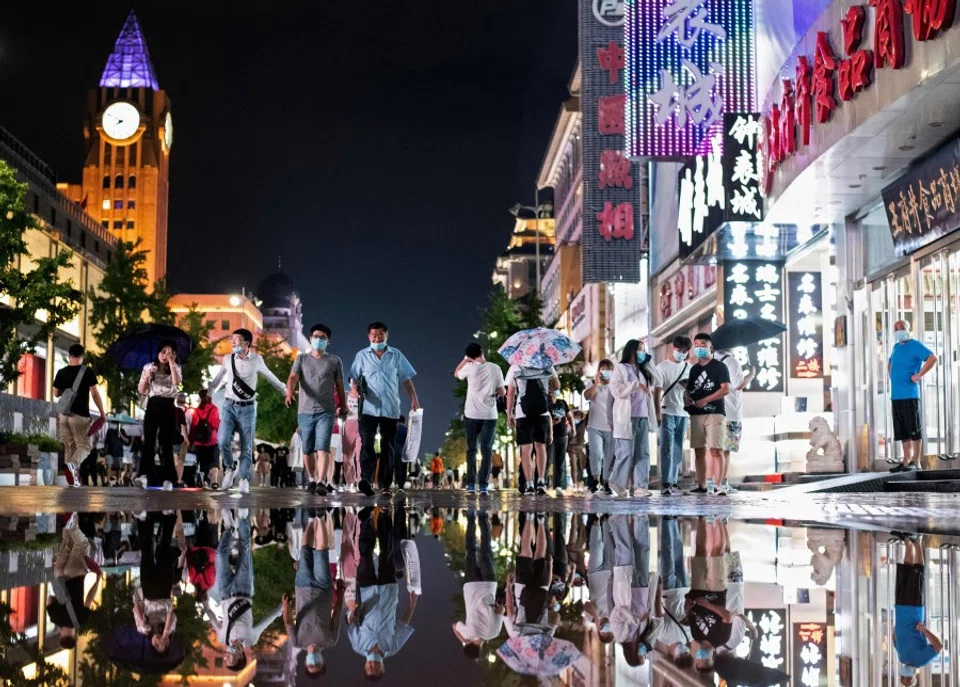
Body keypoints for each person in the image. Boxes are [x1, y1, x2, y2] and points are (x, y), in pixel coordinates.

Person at [211, 328, 287, 494]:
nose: (233, 343)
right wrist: (208, 393)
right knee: (222, 440)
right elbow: (218, 378)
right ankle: (230, 468)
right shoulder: (227, 359)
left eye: (236, 340)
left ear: (246, 343)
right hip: (229, 406)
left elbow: (270, 376)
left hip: (248, 408)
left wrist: (284, 390)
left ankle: (244, 478)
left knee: (246, 445)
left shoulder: (257, 360)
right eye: (232, 339)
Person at [347, 507, 418, 681]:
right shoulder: (392, 648)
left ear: (365, 665)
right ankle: (385, 516)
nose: (373, 664)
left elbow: (351, 624)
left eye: (370, 667)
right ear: (383, 667)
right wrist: (411, 603)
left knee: (366, 557)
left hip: (367, 593)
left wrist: (353, 611)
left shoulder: (358, 646)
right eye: (377, 668)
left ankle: (366, 521)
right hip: (388, 592)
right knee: (387, 554)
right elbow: (402, 624)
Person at [349, 321, 420, 497]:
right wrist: (354, 389)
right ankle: (366, 479)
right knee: (367, 444)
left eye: (380, 335)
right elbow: (353, 377)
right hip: (368, 408)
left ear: (386, 336)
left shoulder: (396, 355)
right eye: (374, 335)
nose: (377, 338)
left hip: (390, 408)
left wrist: (414, 398)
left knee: (387, 447)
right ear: (368, 336)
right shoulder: (361, 356)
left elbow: (406, 378)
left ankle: (386, 485)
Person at [214, 509, 282, 672]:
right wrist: (281, 610)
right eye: (229, 659)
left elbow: (215, 620)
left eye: (225, 659)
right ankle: (243, 517)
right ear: (240, 657)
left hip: (224, 593)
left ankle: (229, 528)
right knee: (245, 551)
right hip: (244, 590)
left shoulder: (223, 638)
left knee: (220, 556)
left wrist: (206, 605)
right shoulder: (251, 639)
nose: (226, 657)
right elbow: (266, 621)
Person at [286, 323, 347, 496]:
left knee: (323, 447)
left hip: (326, 412)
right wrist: (289, 393)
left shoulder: (334, 361)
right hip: (304, 412)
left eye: (322, 337)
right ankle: (312, 479)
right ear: (311, 338)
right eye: (315, 336)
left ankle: (321, 482)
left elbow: (340, 385)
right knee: (308, 449)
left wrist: (343, 405)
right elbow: (292, 377)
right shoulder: (301, 359)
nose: (318, 340)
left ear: (328, 341)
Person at [283, 513, 344, 678]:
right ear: (323, 661)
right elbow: (337, 614)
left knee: (305, 551)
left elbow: (288, 623)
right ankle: (320, 516)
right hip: (323, 588)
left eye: (310, 665)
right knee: (321, 551)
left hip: (302, 587)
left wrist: (285, 607)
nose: (313, 661)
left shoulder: (297, 642)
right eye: (317, 664)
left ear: (305, 662)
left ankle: (311, 520)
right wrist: (341, 592)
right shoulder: (330, 640)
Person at [455, 344, 506, 496]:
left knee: (472, 449)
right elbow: (502, 391)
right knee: (487, 450)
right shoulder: (495, 368)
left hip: (471, 414)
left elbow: (457, 374)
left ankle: (471, 484)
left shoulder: (469, 367)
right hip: (490, 415)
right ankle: (483, 485)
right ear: (482, 352)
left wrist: (465, 361)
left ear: (469, 356)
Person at [52, 344, 107, 487]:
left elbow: (56, 393)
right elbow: (94, 393)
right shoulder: (87, 372)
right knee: (85, 446)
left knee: (69, 447)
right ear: (82, 357)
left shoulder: (61, 372)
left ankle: (73, 480)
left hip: (63, 415)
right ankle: (73, 465)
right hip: (80, 416)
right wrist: (102, 412)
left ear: (69, 356)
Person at [452, 511, 504, 658]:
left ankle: (482, 516)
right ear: (468, 644)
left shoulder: (493, 633)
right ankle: (470, 517)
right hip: (471, 585)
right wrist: (462, 640)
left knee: (485, 549)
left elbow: (501, 609)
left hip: (488, 586)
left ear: (481, 649)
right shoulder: (467, 633)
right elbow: (454, 626)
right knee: (471, 549)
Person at [684, 334, 730, 495]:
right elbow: (689, 390)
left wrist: (705, 400)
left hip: (715, 413)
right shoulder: (694, 369)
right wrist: (687, 398)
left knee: (716, 449)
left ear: (711, 347)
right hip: (696, 414)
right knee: (699, 450)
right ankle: (701, 485)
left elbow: (725, 389)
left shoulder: (720, 367)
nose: (699, 348)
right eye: (696, 345)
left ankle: (719, 485)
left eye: (702, 344)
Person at [888, 320, 937, 472]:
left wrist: (918, 375)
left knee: (914, 428)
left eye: (901, 328)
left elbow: (932, 358)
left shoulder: (915, 345)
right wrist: (891, 374)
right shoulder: (896, 347)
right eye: (896, 328)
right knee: (902, 430)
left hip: (910, 395)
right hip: (896, 396)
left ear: (908, 329)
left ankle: (916, 461)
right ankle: (905, 461)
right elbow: (890, 362)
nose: (898, 330)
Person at [892, 533, 942, 684]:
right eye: (907, 678)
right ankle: (918, 541)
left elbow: (895, 640)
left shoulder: (901, 657)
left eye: (902, 678)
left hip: (900, 607)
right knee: (917, 571)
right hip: (914, 608)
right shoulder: (921, 661)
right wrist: (923, 629)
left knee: (905, 571)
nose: (904, 676)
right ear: (915, 676)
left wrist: (896, 628)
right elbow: (938, 646)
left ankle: (907, 542)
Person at [47, 515, 102, 648]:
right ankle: (51, 515)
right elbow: (50, 598)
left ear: (74, 636)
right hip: (59, 574)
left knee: (76, 537)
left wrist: (97, 579)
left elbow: (89, 598)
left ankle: (73, 514)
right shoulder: (54, 618)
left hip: (77, 573)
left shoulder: (81, 620)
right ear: (61, 635)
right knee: (63, 538)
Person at [506, 364, 560, 497]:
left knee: (526, 450)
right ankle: (541, 482)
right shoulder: (546, 362)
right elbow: (557, 386)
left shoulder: (516, 365)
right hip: (542, 410)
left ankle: (529, 485)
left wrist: (509, 414)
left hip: (523, 411)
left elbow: (511, 393)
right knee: (541, 447)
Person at [609, 340, 654, 498]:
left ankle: (640, 486)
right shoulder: (620, 369)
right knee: (626, 452)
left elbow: (653, 387)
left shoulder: (643, 370)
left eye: (644, 350)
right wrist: (635, 385)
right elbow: (616, 391)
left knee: (643, 453)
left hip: (642, 416)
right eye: (640, 350)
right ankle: (617, 481)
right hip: (626, 418)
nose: (643, 352)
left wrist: (648, 364)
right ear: (631, 351)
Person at [135, 342, 182, 491]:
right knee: (148, 441)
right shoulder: (149, 367)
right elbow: (142, 390)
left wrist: (172, 362)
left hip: (168, 405)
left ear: (174, 354)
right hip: (153, 404)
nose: (165, 355)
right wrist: (148, 375)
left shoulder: (176, 367)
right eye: (163, 352)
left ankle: (169, 478)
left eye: (169, 352)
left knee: (165, 443)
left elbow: (177, 382)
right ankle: (143, 476)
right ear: (157, 352)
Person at [133, 512, 179, 656]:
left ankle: (143, 519)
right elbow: (171, 613)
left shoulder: (142, 630)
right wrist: (165, 633)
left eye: (156, 645)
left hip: (148, 590)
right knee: (163, 550)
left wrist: (141, 620)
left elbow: (135, 608)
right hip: (164, 590)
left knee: (146, 552)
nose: (158, 641)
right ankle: (168, 516)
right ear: (167, 643)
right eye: (162, 645)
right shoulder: (170, 629)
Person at [653, 337, 692, 496]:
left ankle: (674, 481)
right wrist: (656, 412)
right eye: (679, 350)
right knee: (667, 447)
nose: (681, 354)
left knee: (677, 448)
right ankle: (666, 482)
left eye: (685, 352)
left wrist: (688, 388)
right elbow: (656, 391)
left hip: (683, 412)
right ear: (673, 348)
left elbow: (691, 391)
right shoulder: (661, 367)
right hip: (666, 410)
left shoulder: (689, 367)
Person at [714, 349, 754, 495]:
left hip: (716, 413)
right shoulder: (732, 362)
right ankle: (721, 483)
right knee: (726, 451)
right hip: (731, 413)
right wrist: (752, 374)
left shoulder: (714, 361)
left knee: (718, 451)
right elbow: (739, 385)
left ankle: (719, 482)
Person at [585, 360, 615, 494]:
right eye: (603, 369)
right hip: (594, 425)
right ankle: (596, 480)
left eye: (608, 369)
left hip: (611, 425)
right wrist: (596, 383)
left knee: (609, 456)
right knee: (596, 453)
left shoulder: (615, 385)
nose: (606, 372)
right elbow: (587, 396)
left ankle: (607, 481)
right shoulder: (591, 383)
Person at [189, 389, 221, 488]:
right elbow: (215, 424)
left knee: (202, 461)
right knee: (214, 461)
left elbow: (194, 425)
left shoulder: (196, 410)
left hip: (200, 442)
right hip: (212, 440)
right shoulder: (214, 409)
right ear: (209, 397)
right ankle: (214, 482)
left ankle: (202, 477)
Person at [547, 391, 574, 497]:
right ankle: (542, 483)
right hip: (549, 436)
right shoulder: (546, 403)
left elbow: (569, 416)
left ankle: (558, 486)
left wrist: (573, 428)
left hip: (562, 435)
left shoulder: (562, 402)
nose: (552, 394)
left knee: (560, 461)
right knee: (548, 460)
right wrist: (551, 424)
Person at [341, 383, 362, 492]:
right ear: (349, 382)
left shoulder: (363, 396)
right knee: (347, 458)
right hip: (348, 425)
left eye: (357, 382)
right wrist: (339, 411)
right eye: (353, 381)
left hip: (360, 426)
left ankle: (360, 481)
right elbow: (338, 408)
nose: (355, 384)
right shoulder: (345, 395)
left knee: (359, 456)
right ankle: (350, 481)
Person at [172, 393, 191, 487]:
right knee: (181, 461)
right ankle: (179, 480)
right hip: (183, 439)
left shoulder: (173, 411)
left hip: (173, 437)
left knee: (174, 459)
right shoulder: (188, 413)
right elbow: (187, 426)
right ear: (185, 401)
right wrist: (188, 439)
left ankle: (173, 478)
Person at [568, 410, 587, 492]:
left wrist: (581, 411)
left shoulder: (583, 423)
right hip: (571, 447)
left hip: (581, 446)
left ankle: (579, 483)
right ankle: (575, 483)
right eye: (575, 416)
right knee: (573, 465)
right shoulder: (570, 424)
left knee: (581, 466)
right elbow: (569, 413)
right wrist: (573, 412)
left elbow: (587, 414)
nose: (577, 418)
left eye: (578, 416)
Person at [393, 414, 409, 489]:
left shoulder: (395, 429)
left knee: (398, 467)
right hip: (405, 452)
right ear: (404, 421)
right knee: (404, 468)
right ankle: (402, 483)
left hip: (396, 451)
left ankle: (399, 483)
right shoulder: (407, 430)